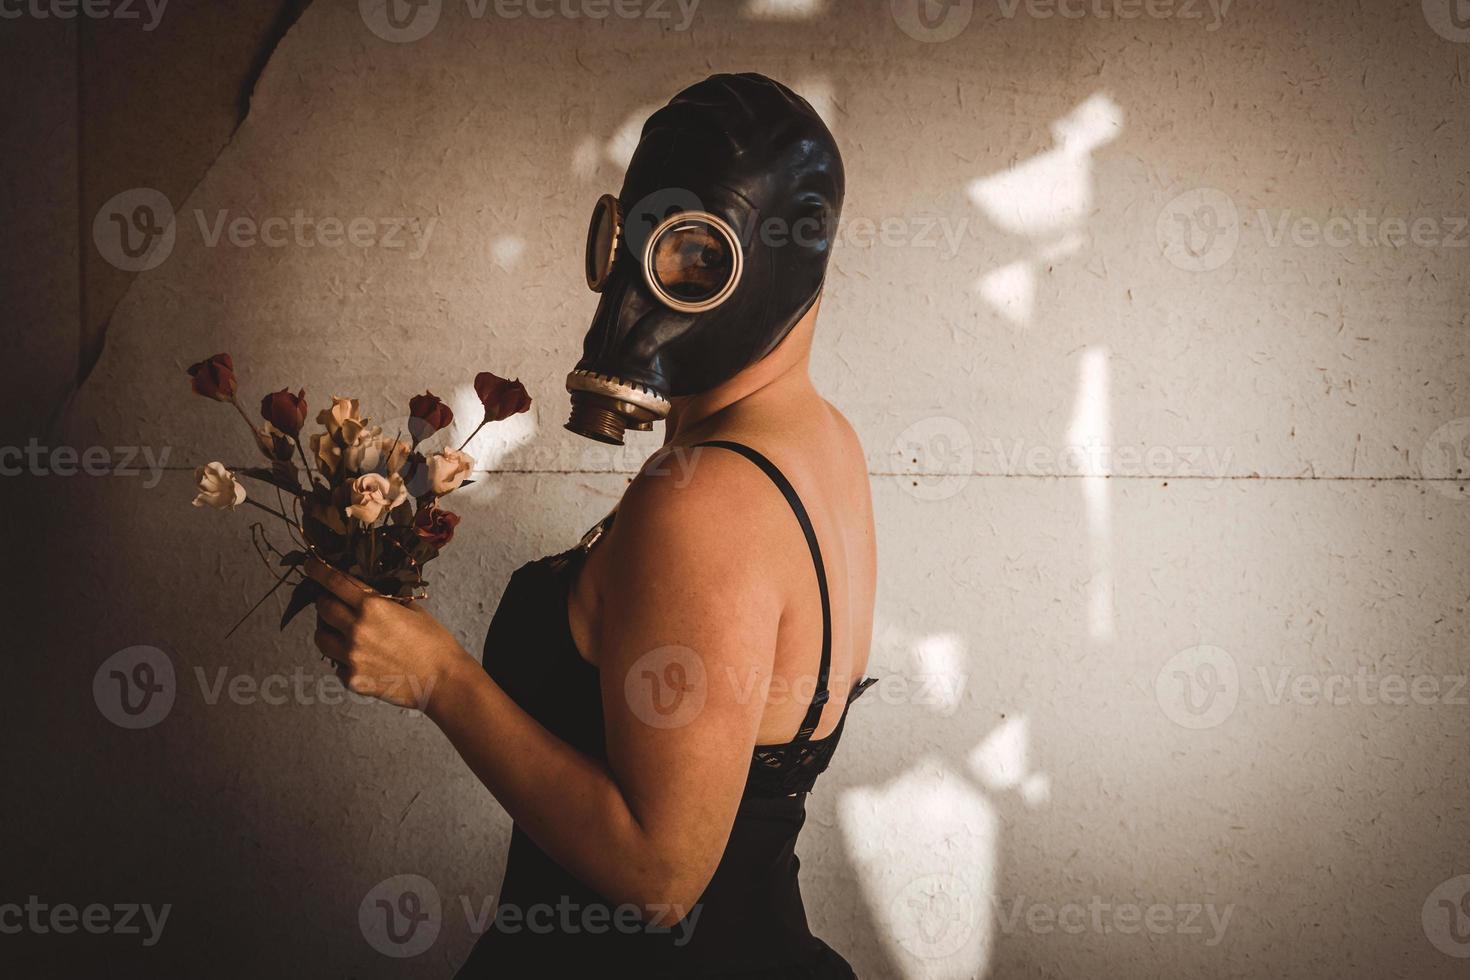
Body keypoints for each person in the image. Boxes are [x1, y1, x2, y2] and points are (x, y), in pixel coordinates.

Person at [308, 72, 876, 977]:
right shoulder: (822, 441)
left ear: (783, 261)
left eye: (696, 256)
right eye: (636, 241)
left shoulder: (704, 501)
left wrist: (438, 678)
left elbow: (661, 875)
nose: (642, 288)